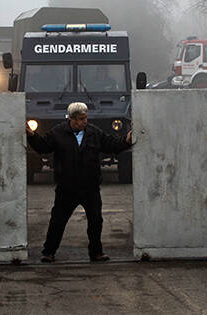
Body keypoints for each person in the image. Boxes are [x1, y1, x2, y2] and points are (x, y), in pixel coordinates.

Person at [26, 102, 132, 263]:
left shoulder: (93, 132)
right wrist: (32, 136)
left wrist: (126, 140)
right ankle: (48, 252)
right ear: (72, 119)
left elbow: (111, 145)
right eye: (81, 119)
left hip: (90, 187)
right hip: (66, 187)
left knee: (95, 221)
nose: (84, 122)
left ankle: (96, 253)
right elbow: (43, 147)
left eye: (85, 118)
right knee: (58, 221)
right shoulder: (58, 133)